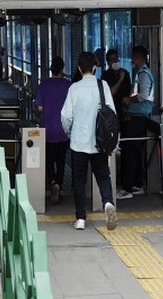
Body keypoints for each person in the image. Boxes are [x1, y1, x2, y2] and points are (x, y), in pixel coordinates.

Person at [60, 51, 118, 231]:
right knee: (102, 175)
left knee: (79, 180)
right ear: (94, 67)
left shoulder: (74, 88)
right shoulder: (103, 86)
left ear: (78, 68)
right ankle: (108, 203)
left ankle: (80, 219)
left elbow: (66, 116)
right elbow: (112, 114)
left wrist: (70, 133)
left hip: (79, 142)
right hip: (100, 142)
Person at [117, 45, 155, 200]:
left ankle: (127, 189)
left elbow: (142, 96)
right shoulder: (139, 73)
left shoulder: (144, 74)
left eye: (133, 57)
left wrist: (127, 100)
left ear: (139, 58)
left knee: (131, 153)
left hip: (139, 117)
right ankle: (137, 184)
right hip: (136, 115)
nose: (132, 60)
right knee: (135, 152)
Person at [34, 56, 71, 204]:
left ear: (51, 68)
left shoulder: (44, 85)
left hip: (48, 130)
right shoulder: (68, 85)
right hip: (64, 131)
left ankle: (52, 183)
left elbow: (40, 107)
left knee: (49, 161)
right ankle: (60, 185)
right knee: (61, 160)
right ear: (62, 68)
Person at [102, 49, 131, 119]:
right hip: (111, 111)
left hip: (124, 111)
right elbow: (111, 92)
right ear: (108, 63)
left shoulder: (125, 73)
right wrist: (120, 79)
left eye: (116, 59)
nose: (115, 61)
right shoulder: (105, 75)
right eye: (112, 60)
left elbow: (129, 92)